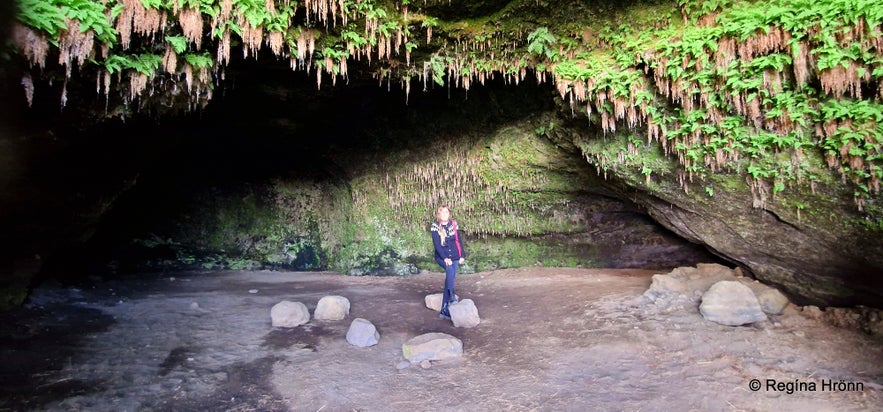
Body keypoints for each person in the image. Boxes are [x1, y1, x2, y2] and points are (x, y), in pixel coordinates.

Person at [430, 205, 466, 320]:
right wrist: (445, 258)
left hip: (455, 256)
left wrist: (462, 255)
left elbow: (458, 240)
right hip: (442, 257)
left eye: (446, 212)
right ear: (439, 215)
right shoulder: (435, 226)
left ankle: (444, 310)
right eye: (442, 212)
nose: (445, 214)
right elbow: (437, 244)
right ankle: (451, 296)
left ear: (449, 214)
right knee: (449, 271)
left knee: (450, 277)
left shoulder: (453, 225)